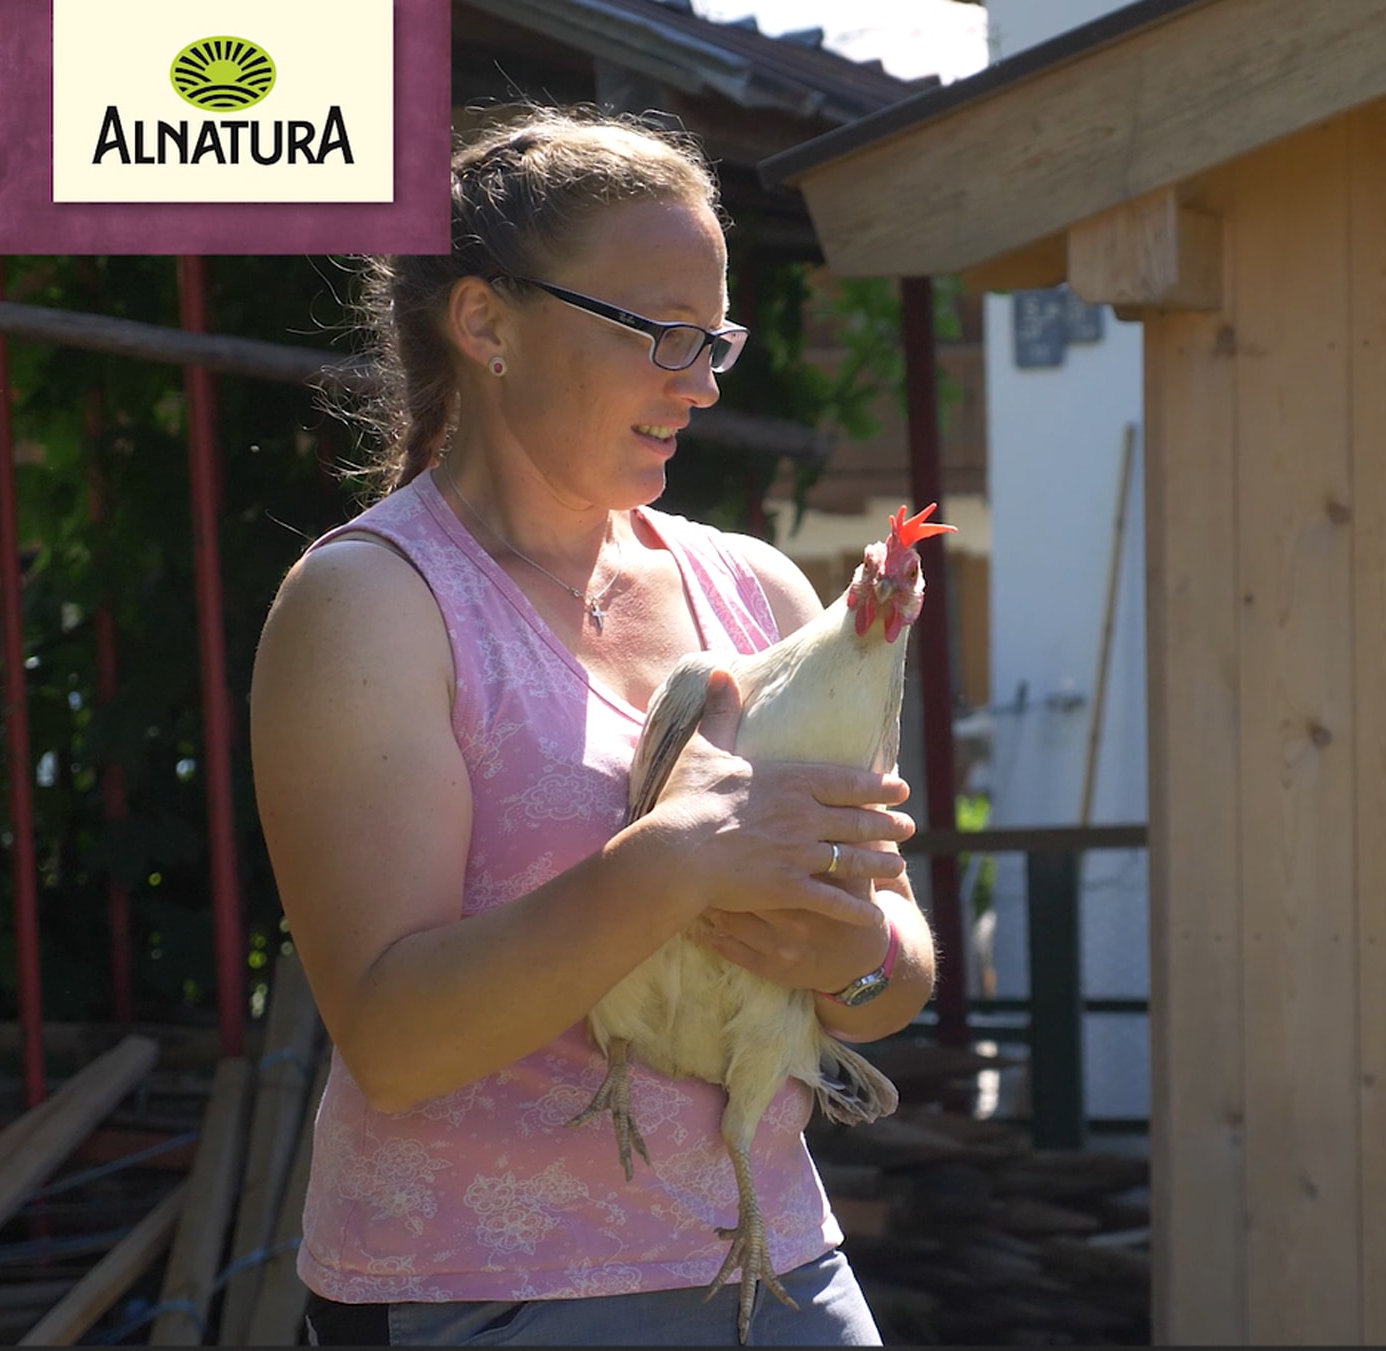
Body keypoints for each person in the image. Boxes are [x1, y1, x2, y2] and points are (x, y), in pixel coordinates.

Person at [247, 104, 931, 1346]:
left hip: (778, 1272)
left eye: (714, 336)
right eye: (660, 333)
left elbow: (895, 971)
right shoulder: (372, 605)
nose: (703, 381)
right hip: (484, 1299)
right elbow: (392, 1042)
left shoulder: (757, 590)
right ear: (485, 321)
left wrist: (849, 958)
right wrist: (671, 863)